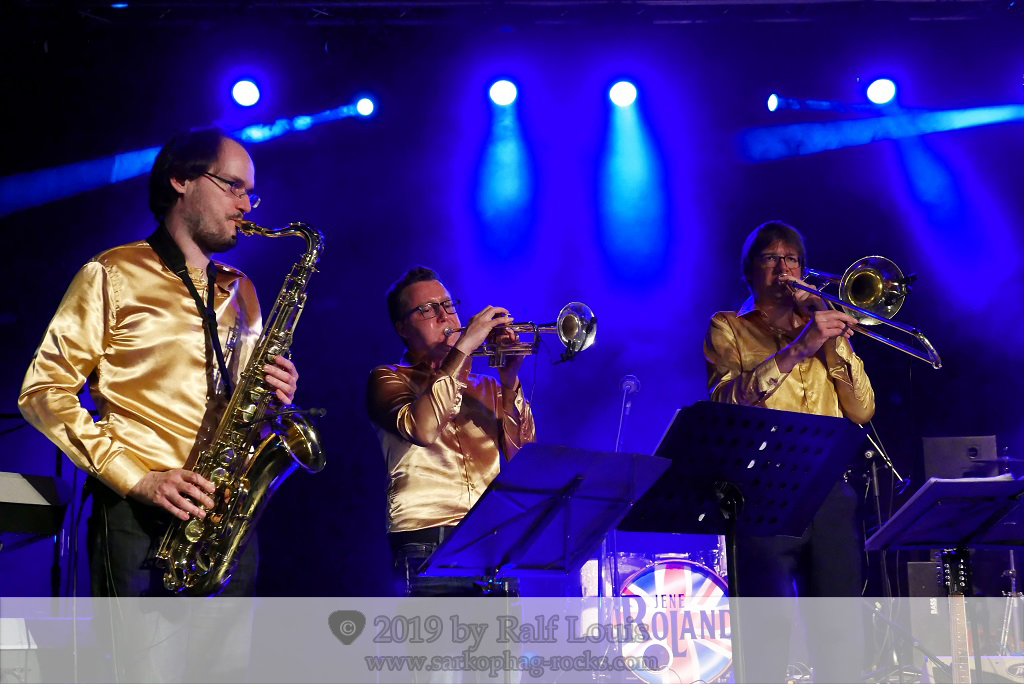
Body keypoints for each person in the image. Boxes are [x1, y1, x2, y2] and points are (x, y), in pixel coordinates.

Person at [19, 127, 299, 598]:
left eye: (250, 192)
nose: (245, 205)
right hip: (137, 516)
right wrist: (137, 479)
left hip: (224, 520)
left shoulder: (242, 290)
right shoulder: (112, 273)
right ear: (181, 180)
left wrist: (274, 397)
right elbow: (43, 392)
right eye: (233, 186)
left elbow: (246, 409)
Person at [703, 220, 874, 683]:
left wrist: (832, 339)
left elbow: (861, 410)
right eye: (770, 258)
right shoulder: (728, 326)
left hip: (827, 489)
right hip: (762, 493)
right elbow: (725, 402)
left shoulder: (823, 326)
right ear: (749, 271)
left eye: (792, 259)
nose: (783, 268)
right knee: (766, 639)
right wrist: (801, 347)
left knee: (840, 637)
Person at [366, 266, 536, 596]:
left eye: (447, 305)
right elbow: (422, 429)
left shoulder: (487, 385)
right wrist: (464, 349)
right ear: (402, 328)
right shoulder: (388, 378)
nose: (445, 316)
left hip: (491, 543)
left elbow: (525, 458)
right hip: (426, 543)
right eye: (427, 310)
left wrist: (509, 380)